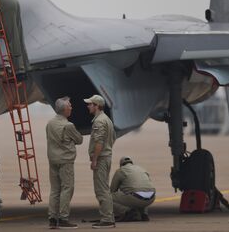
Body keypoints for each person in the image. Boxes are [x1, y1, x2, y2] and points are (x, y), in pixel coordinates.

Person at [46, 96, 83, 229]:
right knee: (67, 188)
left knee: (55, 189)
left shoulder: (50, 123)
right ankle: (63, 218)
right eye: (70, 106)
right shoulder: (68, 125)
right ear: (64, 110)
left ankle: (52, 218)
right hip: (65, 161)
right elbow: (79, 140)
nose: (71, 108)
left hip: (53, 160)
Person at [85, 94, 116, 229]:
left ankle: (107, 219)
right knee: (104, 189)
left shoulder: (99, 121)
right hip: (106, 156)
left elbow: (99, 142)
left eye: (90, 104)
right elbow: (113, 138)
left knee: (101, 190)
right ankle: (108, 217)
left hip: (102, 158)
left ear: (97, 106)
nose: (88, 106)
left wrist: (95, 159)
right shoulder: (107, 119)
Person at [110, 156, 155, 222]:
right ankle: (144, 214)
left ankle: (128, 212)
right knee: (142, 190)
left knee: (107, 197)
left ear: (121, 165)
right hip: (151, 197)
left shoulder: (121, 170)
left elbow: (112, 189)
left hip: (136, 198)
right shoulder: (141, 169)